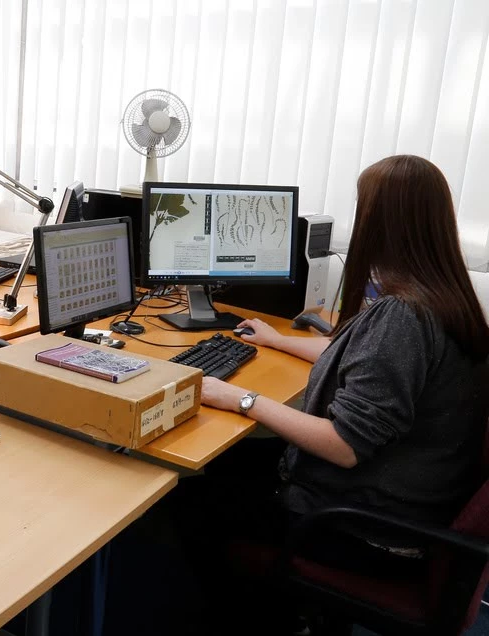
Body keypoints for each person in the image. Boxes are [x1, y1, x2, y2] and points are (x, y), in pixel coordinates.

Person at [110, 155, 489, 634]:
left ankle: (259, 617)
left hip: (361, 529)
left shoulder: (402, 317)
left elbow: (346, 445)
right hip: (411, 505)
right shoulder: (446, 299)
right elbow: (364, 360)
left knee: (187, 495)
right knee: (226, 464)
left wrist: (240, 399)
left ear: (383, 222)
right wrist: (279, 340)